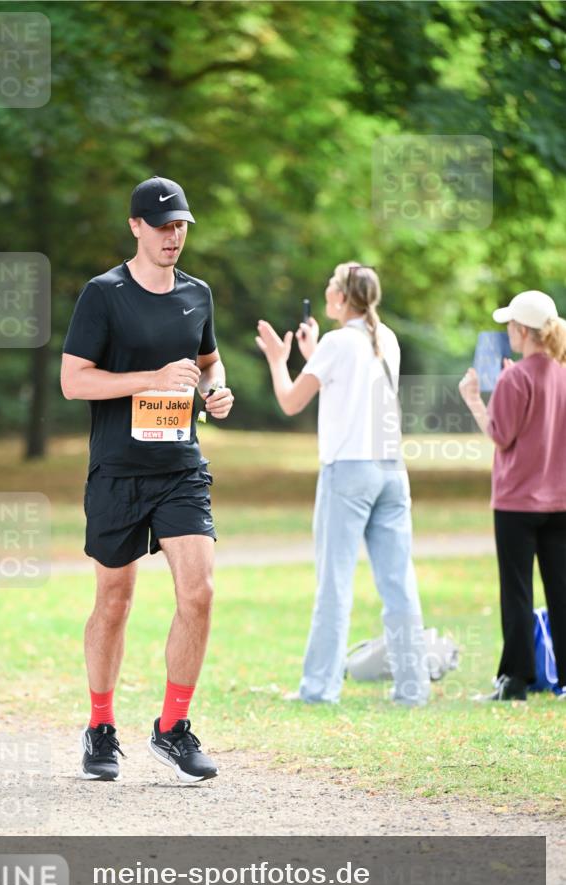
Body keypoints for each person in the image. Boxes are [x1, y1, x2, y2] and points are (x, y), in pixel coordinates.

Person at [61, 175, 234, 781]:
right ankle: (101, 728)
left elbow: (209, 366)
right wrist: (150, 379)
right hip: (117, 470)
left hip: (180, 468)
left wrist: (215, 395)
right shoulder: (103, 294)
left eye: (181, 225)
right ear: (135, 226)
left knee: (200, 592)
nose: (173, 236)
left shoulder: (198, 295)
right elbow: (74, 381)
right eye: (162, 226)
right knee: (114, 602)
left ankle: (172, 727)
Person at [256, 262, 429, 707]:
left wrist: (280, 360)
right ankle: (412, 688)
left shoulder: (336, 343)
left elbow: (291, 401)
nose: (327, 291)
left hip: (348, 470)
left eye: (331, 286)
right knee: (398, 581)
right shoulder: (384, 338)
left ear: (341, 298)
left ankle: (318, 689)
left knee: (334, 581)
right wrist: (314, 352)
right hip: (392, 469)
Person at [459, 290, 566, 701]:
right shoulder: (560, 372)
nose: (508, 332)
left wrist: (473, 399)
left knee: (518, 590)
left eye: (510, 326)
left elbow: (501, 436)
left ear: (522, 330)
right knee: (560, 589)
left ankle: (515, 681)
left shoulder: (514, 377)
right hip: (559, 501)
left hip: (518, 503)